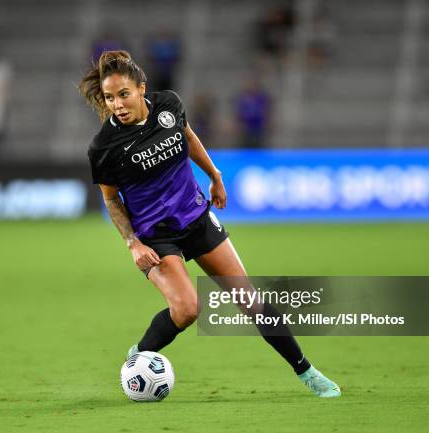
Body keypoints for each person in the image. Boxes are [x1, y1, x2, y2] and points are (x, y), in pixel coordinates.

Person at [78, 50, 340, 398]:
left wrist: (214, 175)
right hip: (156, 235)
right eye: (110, 98)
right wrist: (133, 244)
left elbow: (187, 139)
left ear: (142, 88)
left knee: (250, 299)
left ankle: (307, 372)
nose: (118, 105)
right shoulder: (104, 147)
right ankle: (138, 357)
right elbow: (111, 200)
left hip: (195, 217)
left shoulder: (168, 106)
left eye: (123, 94)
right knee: (187, 309)